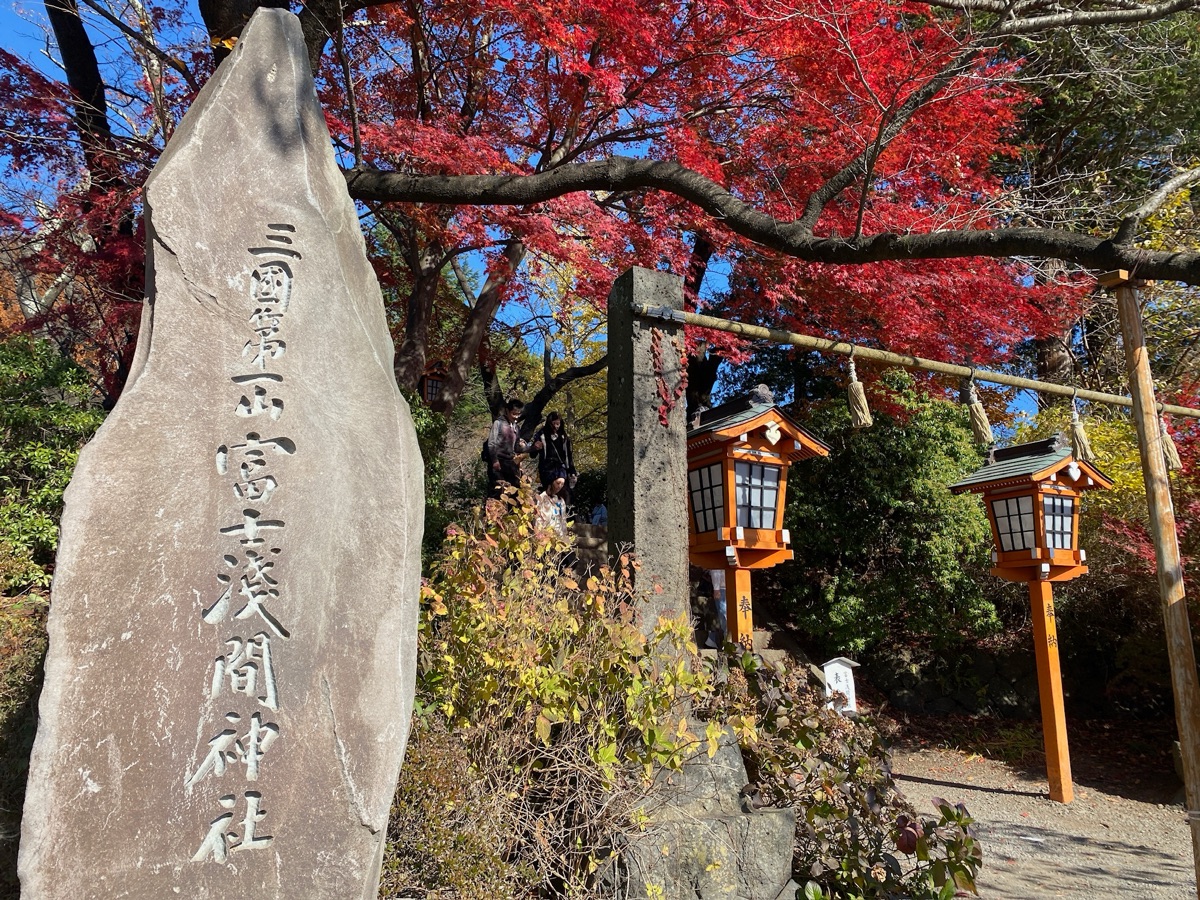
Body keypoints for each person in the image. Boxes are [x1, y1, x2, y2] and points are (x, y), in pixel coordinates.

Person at [531, 411, 577, 508]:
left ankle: (563, 515)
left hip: (561, 467)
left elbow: (568, 455)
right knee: (549, 492)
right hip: (546, 468)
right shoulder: (541, 435)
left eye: (558, 424)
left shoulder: (564, 437)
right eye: (554, 424)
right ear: (549, 423)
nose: (556, 426)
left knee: (564, 492)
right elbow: (532, 454)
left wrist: (572, 472)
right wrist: (535, 447)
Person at [485, 397, 528, 499]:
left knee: (514, 492)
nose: (516, 417)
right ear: (507, 411)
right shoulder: (498, 423)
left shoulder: (516, 427)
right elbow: (491, 443)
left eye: (518, 414)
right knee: (498, 491)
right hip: (498, 461)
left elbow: (516, 447)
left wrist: (528, 447)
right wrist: (495, 460)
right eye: (514, 413)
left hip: (510, 462)